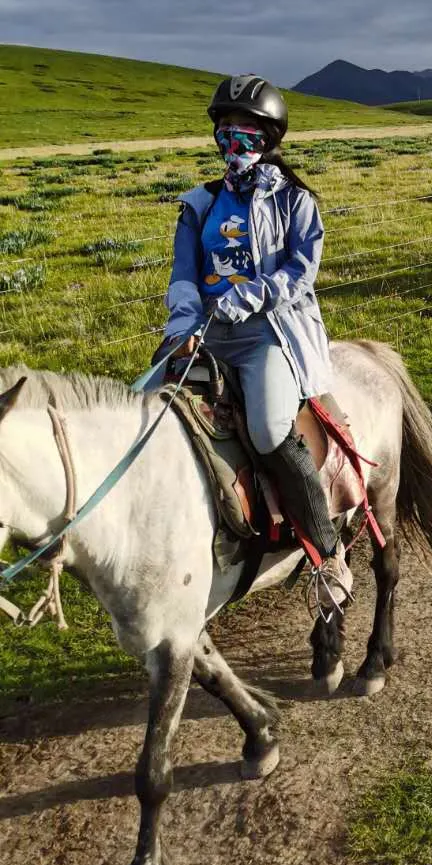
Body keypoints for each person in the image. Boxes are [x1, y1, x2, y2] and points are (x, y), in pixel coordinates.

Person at [151, 74, 349, 592]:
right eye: (225, 132)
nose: (234, 143)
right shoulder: (199, 205)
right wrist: (184, 322)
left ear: (268, 140)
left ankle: (327, 553)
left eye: (246, 133)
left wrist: (252, 295)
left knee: (265, 428)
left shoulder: (296, 201)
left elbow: (301, 271)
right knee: (147, 406)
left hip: (269, 334)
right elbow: (184, 275)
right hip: (208, 333)